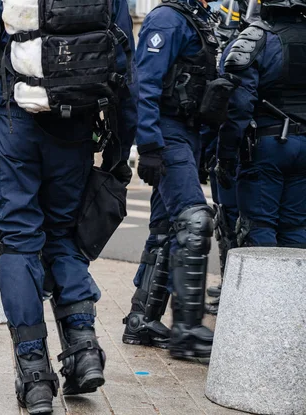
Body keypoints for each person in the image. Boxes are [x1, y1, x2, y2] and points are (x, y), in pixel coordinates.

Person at [0, 0, 137, 411]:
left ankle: (34, 379)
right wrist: (122, 142)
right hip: (76, 125)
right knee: (64, 237)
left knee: (19, 246)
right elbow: (122, 63)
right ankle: (83, 351)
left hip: (12, 126)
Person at [121, 0, 219, 359]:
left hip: (187, 134)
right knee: (194, 220)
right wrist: (147, 143)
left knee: (165, 229)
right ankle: (187, 330)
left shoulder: (197, 19)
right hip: (168, 132)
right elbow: (144, 83)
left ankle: (141, 319)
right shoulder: (167, 18)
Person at [216, 1, 306, 249]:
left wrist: (225, 156)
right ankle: (293, 289)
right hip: (304, 146)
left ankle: (262, 289)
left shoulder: (256, 38)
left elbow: (239, 106)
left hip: (268, 146)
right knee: (297, 228)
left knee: (258, 228)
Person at [204, 0, 260, 315]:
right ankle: (229, 284)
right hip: (226, 135)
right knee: (225, 220)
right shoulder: (229, 12)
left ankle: (238, 291)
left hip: (246, 140)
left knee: (243, 221)